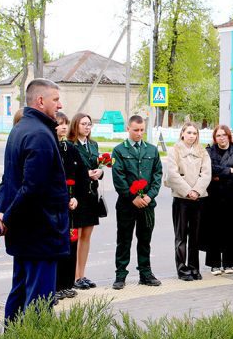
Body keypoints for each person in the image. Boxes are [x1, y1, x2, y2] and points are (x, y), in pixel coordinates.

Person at [0, 80, 71, 319]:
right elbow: (32, 188)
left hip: (26, 231)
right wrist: (6, 216)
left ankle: (12, 338)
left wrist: (2, 213)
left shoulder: (21, 129)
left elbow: (9, 180)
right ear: (40, 101)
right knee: (39, 300)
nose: (60, 104)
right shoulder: (39, 134)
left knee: (20, 290)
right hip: (41, 231)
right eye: (56, 99)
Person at [111, 115, 164, 289]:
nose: (139, 133)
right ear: (128, 129)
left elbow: (157, 175)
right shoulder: (119, 150)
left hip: (147, 205)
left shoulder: (152, 150)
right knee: (124, 240)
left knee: (145, 240)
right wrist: (132, 197)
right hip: (127, 205)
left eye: (142, 130)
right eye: (136, 130)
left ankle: (145, 273)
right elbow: (118, 178)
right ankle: (120, 275)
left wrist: (149, 196)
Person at [164, 122, 212, 281]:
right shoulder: (174, 150)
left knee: (195, 236)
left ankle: (194, 267)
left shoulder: (202, 152)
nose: (192, 136)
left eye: (195, 133)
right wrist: (187, 191)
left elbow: (206, 173)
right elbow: (172, 174)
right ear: (182, 134)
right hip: (181, 199)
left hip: (198, 198)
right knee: (181, 236)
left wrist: (197, 191)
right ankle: (182, 269)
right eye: (189, 132)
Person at [200, 125, 233, 275]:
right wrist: (228, 171)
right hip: (212, 196)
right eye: (218, 135)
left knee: (230, 229)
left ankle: (229, 263)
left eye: (224, 135)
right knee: (213, 229)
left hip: (232, 195)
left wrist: (219, 175)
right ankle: (214, 264)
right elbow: (208, 169)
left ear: (229, 136)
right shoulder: (209, 151)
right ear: (214, 138)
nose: (222, 138)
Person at [68, 112, 103, 290]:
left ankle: (82, 274)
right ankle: (73, 276)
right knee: (77, 235)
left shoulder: (93, 145)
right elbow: (69, 170)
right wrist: (85, 174)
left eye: (89, 124)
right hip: (77, 194)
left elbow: (98, 165)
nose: (87, 127)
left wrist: (100, 172)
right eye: (83, 124)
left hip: (91, 194)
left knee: (87, 236)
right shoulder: (70, 145)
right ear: (75, 125)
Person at [54, 112, 80, 301]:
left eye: (66, 123)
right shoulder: (50, 147)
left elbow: (80, 175)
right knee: (56, 246)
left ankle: (66, 284)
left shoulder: (69, 148)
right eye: (59, 123)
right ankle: (54, 286)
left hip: (70, 204)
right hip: (55, 204)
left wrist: (76, 197)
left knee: (70, 245)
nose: (63, 127)